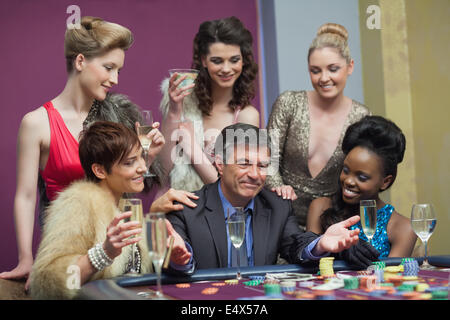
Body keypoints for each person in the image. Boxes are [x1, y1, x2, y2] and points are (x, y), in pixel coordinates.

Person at [0, 17, 166, 288]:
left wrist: (150, 156)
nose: (115, 79)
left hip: (118, 253)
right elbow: (27, 195)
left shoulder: (118, 117)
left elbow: (126, 181)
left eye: (119, 71)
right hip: (72, 253)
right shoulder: (37, 123)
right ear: (80, 62)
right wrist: (26, 259)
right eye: (109, 68)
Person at [165, 123, 380, 274]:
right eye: (244, 163)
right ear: (220, 164)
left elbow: (296, 245)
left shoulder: (277, 206)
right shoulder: (187, 208)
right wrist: (180, 260)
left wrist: (320, 243)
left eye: (262, 165)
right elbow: (180, 259)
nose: (255, 174)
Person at [29, 121, 191, 299]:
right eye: (130, 162)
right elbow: (46, 282)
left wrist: (175, 259)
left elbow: (139, 273)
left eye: (141, 157)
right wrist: (103, 254)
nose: (144, 168)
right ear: (99, 171)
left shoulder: (124, 206)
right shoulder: (77, 203)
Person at [266, 23, 371, 229]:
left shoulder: (362, 116)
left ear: (350, 66)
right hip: (279, 217)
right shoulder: (289, 102)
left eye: (333, 69)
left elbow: (362, 175)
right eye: (315, 71)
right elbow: (267, 159)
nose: (324, 78)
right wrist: (279, 189)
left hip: (332, 221)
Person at [156, 16, 260, 200]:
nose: (226, 69)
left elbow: (233, 189)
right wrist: (174, 110)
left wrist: (192, 149)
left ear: (243, 61)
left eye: (234, 60)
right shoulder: (183, 101)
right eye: (217, 61)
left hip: (215, 217)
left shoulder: (246, 116)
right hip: (173, 206)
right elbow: (162, 171)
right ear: (203, 60)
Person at [307, 116, 417, 258]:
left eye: (362, 177)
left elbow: (391, 278)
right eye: (346, 170)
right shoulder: (320, 207)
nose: (349, 181)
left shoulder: (403, 227)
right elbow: (309, 267)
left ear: (385, 182)